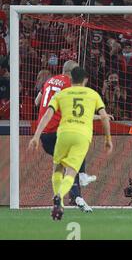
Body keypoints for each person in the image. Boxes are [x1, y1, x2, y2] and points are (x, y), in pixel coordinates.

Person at [29, 66, 113, 221]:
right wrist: (102, 116)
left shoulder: (49, 81)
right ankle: (76, 190)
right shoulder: (70, 86)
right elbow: (79, 110)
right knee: (72, 163)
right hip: (59, 131)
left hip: (45, 134)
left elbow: (36, 102)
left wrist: (36, 135)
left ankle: (70, 198)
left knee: (60, 167)